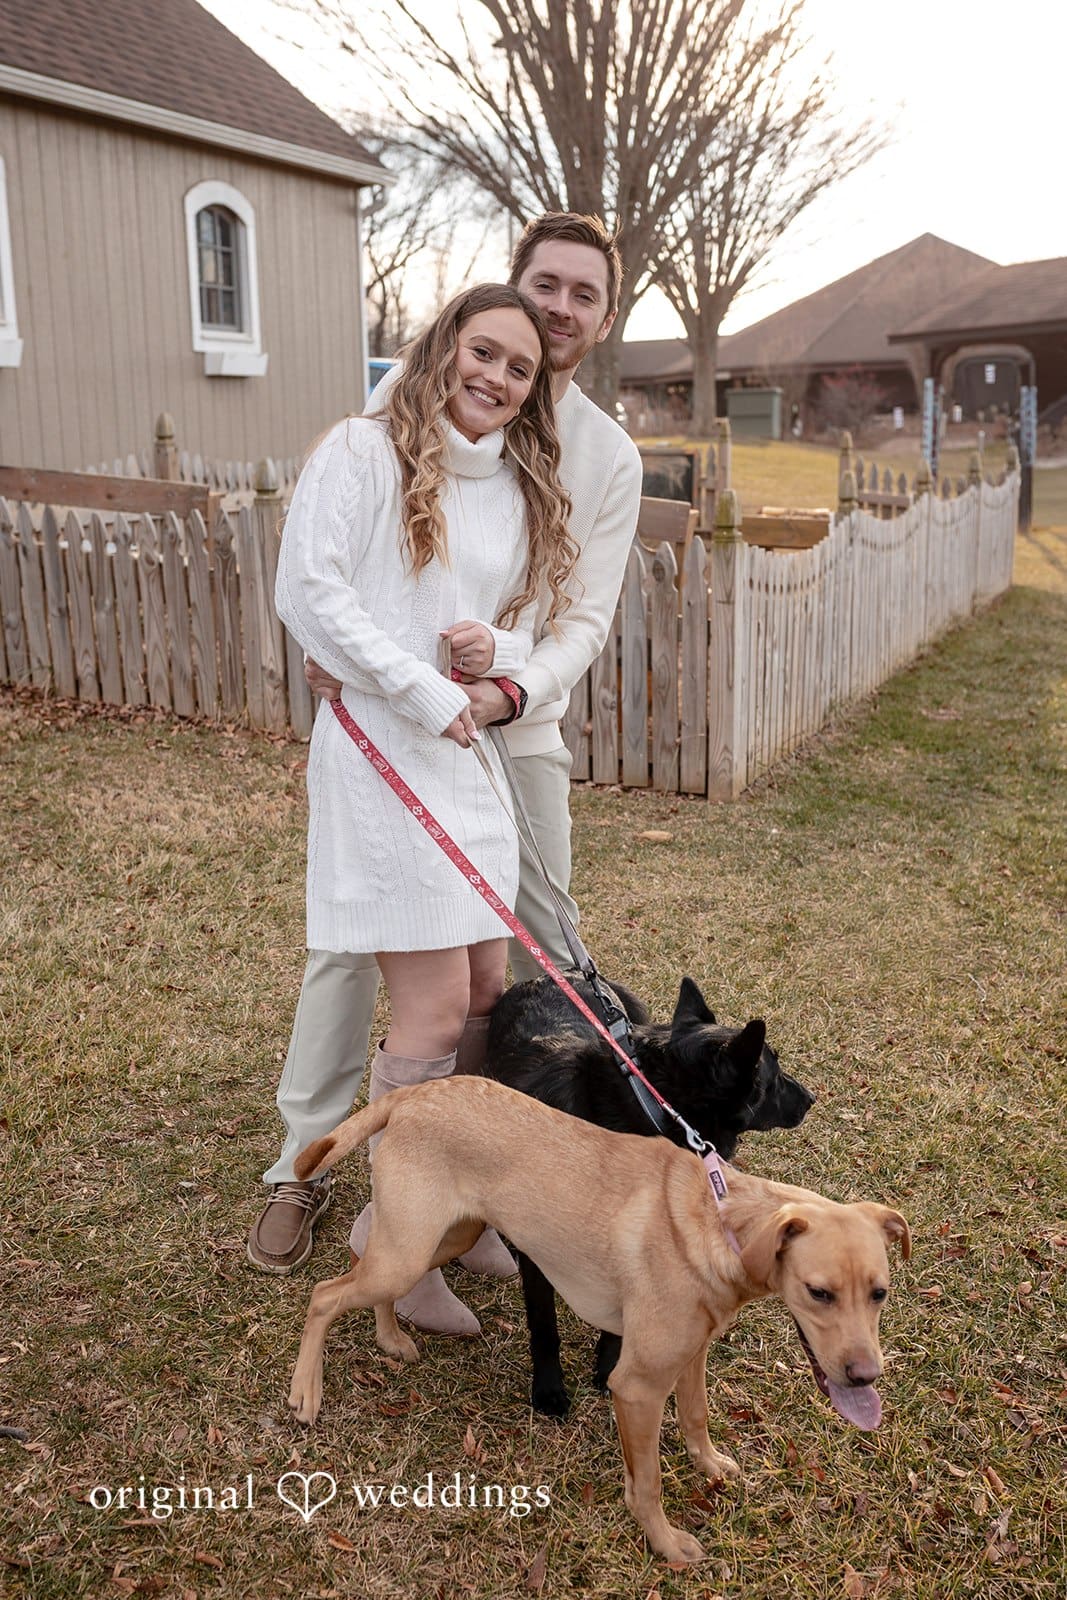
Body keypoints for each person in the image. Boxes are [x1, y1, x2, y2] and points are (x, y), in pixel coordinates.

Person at [248, 215, 644, 1313]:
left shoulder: (594, 455)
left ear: (600, 323)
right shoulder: (380, 431)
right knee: (367, 958)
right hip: (399, 737)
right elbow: (330, 584)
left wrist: (501, 674)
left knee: (498, 974)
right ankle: (311, 1166)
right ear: (476, 317)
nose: (552, 318)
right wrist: (391, 678)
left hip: (502, 735)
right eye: (536, 294)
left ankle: (470, 1194)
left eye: (578, 300)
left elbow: (572, 615)